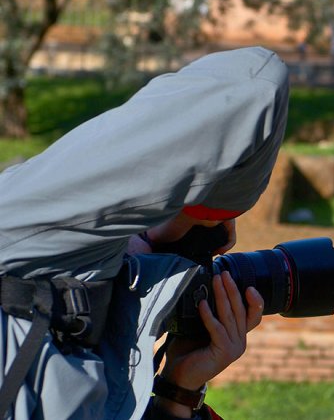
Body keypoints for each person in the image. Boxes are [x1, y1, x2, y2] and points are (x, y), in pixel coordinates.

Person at [0, 46, 290, 419]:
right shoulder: (24, 241)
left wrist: (178, 389)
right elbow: (255, 83)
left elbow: (256, 83)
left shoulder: (29, 247)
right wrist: (201, 214)